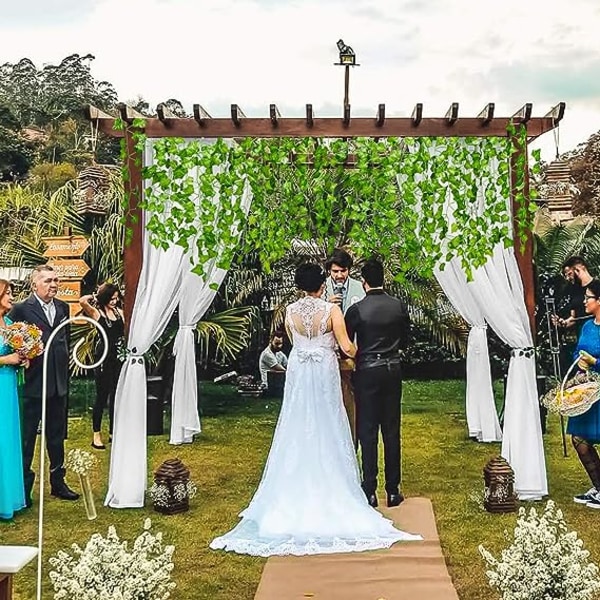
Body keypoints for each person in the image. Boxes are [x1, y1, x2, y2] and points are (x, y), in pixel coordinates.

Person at [210, 263, 421, 556]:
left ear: (299, 285)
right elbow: (347, 347)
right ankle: (346, 484)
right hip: (323, 371)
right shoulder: (331, 311)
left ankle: (295, 483)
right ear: (322, 284)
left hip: (299, 371)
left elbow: (296, 341)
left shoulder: (290, 313)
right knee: (328, 421)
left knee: (297, 421)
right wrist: (367, 352)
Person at [8, 264, 79, 505]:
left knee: (57, 437)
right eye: (48, 281)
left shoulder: (63, 307)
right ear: (34, 284)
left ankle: (58, 483)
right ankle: (24, 489)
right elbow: (10, 340)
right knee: (27, 438)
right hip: (32, 384)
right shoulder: (20, 309)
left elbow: (64, 338)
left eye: (56, 280)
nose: (53, 285)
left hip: (57, 383)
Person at [345, 259, 410, 508]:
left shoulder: (357, 310)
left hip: (367, 370)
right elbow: (405, 340)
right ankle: (393, 490)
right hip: (392, 368)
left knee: (368, 430)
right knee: (392, 430)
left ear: (364, 282)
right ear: (383, 279)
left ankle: (369, 489)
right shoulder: (398, 306)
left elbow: (348, 344)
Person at [79, 282, 125, 450]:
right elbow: (83, 301)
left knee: (116, 395)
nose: (114, 301)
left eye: (116, 298)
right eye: (111, 298)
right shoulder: (97, 313)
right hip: (103, 357)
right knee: (101, 396)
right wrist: (96, 296)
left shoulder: (119, 313)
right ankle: (96, 434)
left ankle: (114, 431)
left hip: (118, 356)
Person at [567, 278, 600, 509]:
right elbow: (577, 352)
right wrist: (579, 363)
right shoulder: (588, 326)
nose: (584, 301)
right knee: (578, 437)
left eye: (588, 297)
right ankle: (598, 488)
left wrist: (596, 361)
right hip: (586, 391)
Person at [0, 279, 28, 519]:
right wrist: (5, 361)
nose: (11, 297)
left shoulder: (9, 324)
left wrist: (22, 359)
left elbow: (14, 355)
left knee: (8, 439)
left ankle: (8, 497)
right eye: (7, 293)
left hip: (9, 387)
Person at [324, 248, 365, 314]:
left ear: (349, 269)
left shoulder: (360, 287)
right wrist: (326, 307)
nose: (339, 275)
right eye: (335, 271)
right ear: (329, 270)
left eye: (343, 271)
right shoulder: (321, 288)